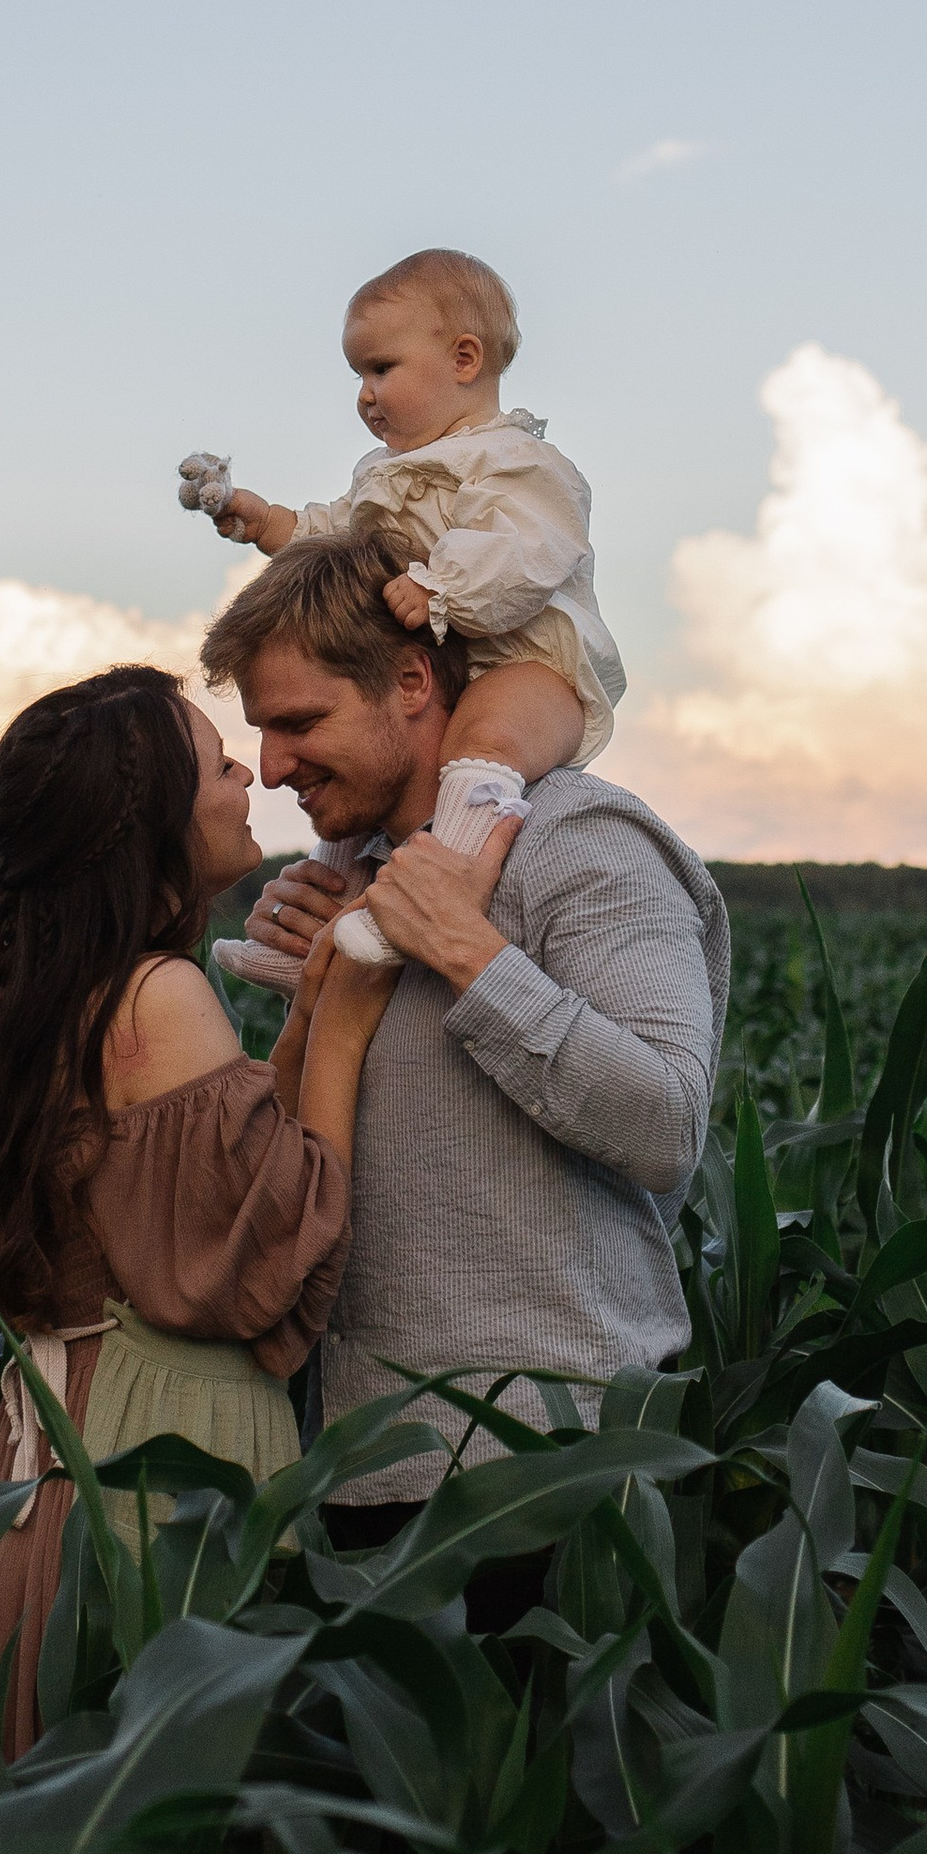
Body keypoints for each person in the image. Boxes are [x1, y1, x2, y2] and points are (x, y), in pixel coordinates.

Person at [197, 531, 728, 1595]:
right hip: (363, 1463)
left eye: (300, 723)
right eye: (259, 731)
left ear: (410, 682)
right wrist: (314, 988)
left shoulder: (583, 838)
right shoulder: (357, 875)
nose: (273, 767)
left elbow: (667, 1125)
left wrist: (466, 953)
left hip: (555, 1462)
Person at [0, 664, 392, 1751]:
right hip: (158, 1470)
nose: (247, 777)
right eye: (217, 764)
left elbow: (216, 1177)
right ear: (152, 821)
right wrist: (352, 1017)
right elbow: (271, 1248)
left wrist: (305, 1009)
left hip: (40, 1465)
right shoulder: (156, 994)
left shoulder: (44, 996)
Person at [177, 245, 626, 982]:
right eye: (358, 376)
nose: (365, 395)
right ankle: (315, 945)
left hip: (530, 666)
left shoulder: (516, 462)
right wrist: (267, 521)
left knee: (480, 746)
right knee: (360, 797)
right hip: (448, 663)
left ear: (464, 359)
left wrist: (443, 587)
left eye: (381, 369)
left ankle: (433, 898)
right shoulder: (385, 477)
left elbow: (528, 548)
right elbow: (339, 535)